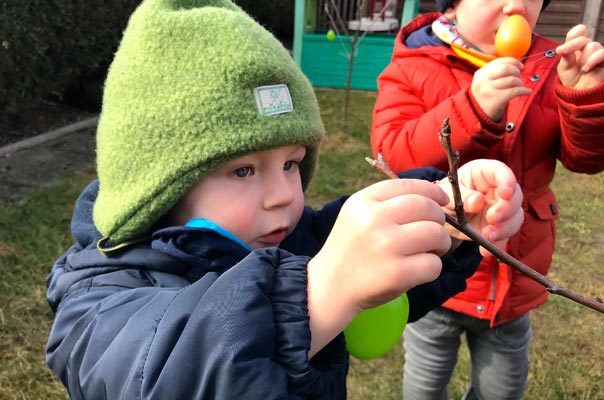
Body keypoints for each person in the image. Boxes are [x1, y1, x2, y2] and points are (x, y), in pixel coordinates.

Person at [45, 0, 524, 398]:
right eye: (243, 170)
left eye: (292, 163)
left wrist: (442, 214)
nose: (282, 196)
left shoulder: (289, 240)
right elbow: (163, 374)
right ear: (160, 186)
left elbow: (359, 259)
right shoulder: (100, 300)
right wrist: (319, 293)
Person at [370, 0, 604, 399]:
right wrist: (472, 107)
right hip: (435, 271)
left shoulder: (553, 64)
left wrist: (583, 98)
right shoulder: (416, 61)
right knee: (425, 385)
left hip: (512, 280)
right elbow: (391, 154)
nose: (516, 6)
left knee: (502, 389)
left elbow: (583, 160)